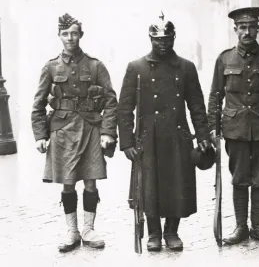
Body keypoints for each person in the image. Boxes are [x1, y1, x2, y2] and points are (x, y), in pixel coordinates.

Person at [117, 13, 210, 251]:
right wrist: (127, 142)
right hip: (148, 138)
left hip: (178, 135)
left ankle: (172, 232)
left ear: (174, 38)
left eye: (167, 38)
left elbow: (197, 106)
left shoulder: (186, 68)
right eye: (157, 39)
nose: (163, 43)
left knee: (176, 184)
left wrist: (202, 136)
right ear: (150, 39)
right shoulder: (136, 68)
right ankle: (153, 234)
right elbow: (125, 108)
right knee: (149, 187)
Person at [31, 13, 118, 252]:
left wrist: (108, 131)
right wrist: (40, 135)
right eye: (66, 34)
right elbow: (38, 103)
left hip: (90, 127)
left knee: (90, 181)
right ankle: (72, 231)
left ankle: (89, 230)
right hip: (61, 130)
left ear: (81, 34)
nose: (70, 38)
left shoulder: (95, 65)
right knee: (67, 184)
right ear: (59, 36)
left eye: (74, 33)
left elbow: (111, 100)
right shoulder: (50, 67)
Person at [208, 7, 259, 245]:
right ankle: (241, 227)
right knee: (240, 177)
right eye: (242, 27)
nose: (247, 32)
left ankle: (258, 227)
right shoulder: (224, 59)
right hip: (235, 128)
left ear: (258, 29)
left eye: (252, 27)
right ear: (235, 30)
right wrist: (214, 126)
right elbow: (215, 96)